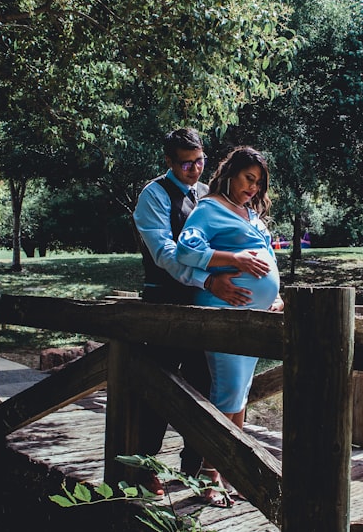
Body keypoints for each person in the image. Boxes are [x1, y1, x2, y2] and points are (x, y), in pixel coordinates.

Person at [131, 128, 252, 495]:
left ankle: (198, 471)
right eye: (186, 163)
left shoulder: (207, 196)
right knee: (159, 390)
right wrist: (208, 281)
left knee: (205, 390)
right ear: (169, 161)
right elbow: (165, 253)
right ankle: (145, 468)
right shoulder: (153, 196)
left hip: (205, 306)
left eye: (200, 160)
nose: (195, 169)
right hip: (164, 307)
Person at [176, 145, 284, 506]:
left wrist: (274, 297)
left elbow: (266, 260)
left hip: (252, 314)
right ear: (230, 173)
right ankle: (210, 477)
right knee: (227, 394)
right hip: (223, 310)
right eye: (248, 179)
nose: (253, 188)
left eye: (258, 183)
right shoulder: (210, 208)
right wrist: (233, 258)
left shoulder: (249, 214)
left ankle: (231, 469)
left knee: (238, 394)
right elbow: (185, 251)